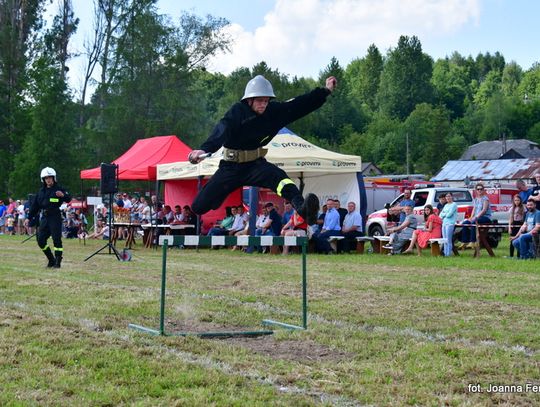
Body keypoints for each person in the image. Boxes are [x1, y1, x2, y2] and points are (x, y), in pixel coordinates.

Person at [188, 75, 338, 226]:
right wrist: (204, 149)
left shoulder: (273, 112)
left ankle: (303, 209)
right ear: (249, 100)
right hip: (231, 168)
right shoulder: (238, 111)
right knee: (199, 207)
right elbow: (222, 129)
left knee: (282, 179)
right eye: (260, 101)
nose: (263, 105)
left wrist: (325, 91)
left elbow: (300, 104)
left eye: (266, 101)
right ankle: (215, 198)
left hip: (256, 165)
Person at [28, 167, 72, 268]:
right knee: (41, 240)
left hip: (55, 216)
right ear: (43, 179)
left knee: (56, 239)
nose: (48, 180)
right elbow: (35, 206)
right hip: (44, 218)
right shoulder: (41, 192)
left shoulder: (59, 189)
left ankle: (57, 261)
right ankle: (51, 259)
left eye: (50, 177)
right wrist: (29, 217)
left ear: (53, 178)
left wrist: (63, 195)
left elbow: (69, 198)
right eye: (46, 178)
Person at [458, 183, 492, 249]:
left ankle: (473, 241)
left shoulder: (485, 199)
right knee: (465, 223)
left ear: (483, 190)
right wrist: (471, 217)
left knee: (474, 222)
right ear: (476, 190)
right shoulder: (476, 199)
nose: (479, 190)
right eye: (478, 189)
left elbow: (484, 210)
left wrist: (476, 217)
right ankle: (464, 241)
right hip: (477, 217)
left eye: (481, 189)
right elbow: (474, 208)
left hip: (485, 217)